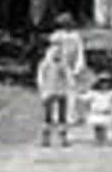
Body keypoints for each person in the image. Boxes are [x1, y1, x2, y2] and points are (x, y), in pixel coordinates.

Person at [35, 17, 87, 148]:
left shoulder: (74, 39)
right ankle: (46, 136)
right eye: (54, 49)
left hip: (61, 89)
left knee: (62, 113)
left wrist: (75, 73)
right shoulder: (46, 62)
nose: (57, 51)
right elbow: (41, 75)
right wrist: (41, 87)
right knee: (48, 114)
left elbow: (71, 70)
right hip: (49, 90)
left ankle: (63, 135)